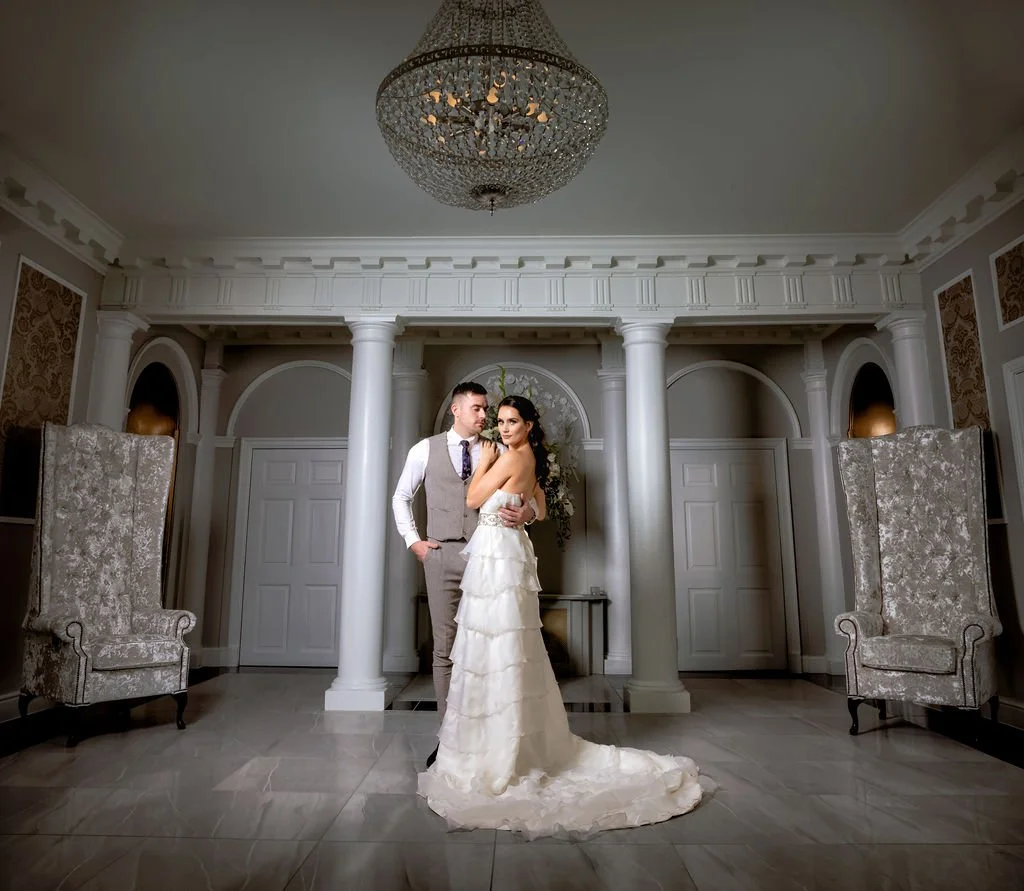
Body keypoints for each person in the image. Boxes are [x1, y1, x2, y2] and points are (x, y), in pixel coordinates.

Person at [418, 395, 703, 837]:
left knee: (502, 644)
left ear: (529, 425)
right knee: (500, 645)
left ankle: (503, 747)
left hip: (499, 559)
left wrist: (490, 459)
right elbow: (541, 506)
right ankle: (498, 736)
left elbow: (474, 497)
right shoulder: (526, 457)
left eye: (512, 421)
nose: (504, 427)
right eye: (500, 421)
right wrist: (527, 510)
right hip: (502, 554)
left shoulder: (509, 455)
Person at [392, 382, 536, 768]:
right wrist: (415, 542)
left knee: (488, 648)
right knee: (446, 649)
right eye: (476, 409)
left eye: (486, 409)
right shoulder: (425, 449)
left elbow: (533, 498)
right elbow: (401, 496)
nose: (484, 416)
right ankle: (449, 737)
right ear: (456, 410)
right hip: (441, 555)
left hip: (488, 558)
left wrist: (528, 514)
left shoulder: (501, 450)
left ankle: (489, 737)